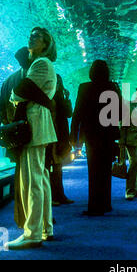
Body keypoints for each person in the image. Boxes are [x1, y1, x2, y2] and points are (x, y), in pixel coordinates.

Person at [5, 27, 58, 249]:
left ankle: (32, 233)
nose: (31, 37)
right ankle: (45, 227)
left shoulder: (41, 64)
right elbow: (22, 91)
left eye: (37, 36)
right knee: (41, 178)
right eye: (31, 34)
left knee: (32, 180)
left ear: (46, 44)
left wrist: (18, 94)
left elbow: (17, 92)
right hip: (38, 123)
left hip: (35, 124)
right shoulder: (38, 64)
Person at [70, 60, 122, 216]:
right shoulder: (113, 87)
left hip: (92, 135)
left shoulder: (84, 87)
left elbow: (77, 112)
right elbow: (120, 112)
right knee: (106, 170)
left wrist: (74, 134)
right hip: (108, 135)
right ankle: (106, 204)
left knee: (94, 170)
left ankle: (94, 206)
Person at [0, 46, 31, 228]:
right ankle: (30, 217)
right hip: (29, 133)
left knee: (20, 175)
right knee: (33, 176)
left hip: (13, 134)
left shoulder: (8, 80)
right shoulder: (30, 77)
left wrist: (7, 123)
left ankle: (21, 217)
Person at [47, 74, 74, 206]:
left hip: (60, 135)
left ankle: (60, 195)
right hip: (50, 135)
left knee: (58, 167)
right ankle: (52, 196)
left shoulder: (60, 97)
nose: (56, 85)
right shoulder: (47, 96)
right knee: (51, 167)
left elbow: (69, 113)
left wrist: (67, 98)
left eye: (58, 83)